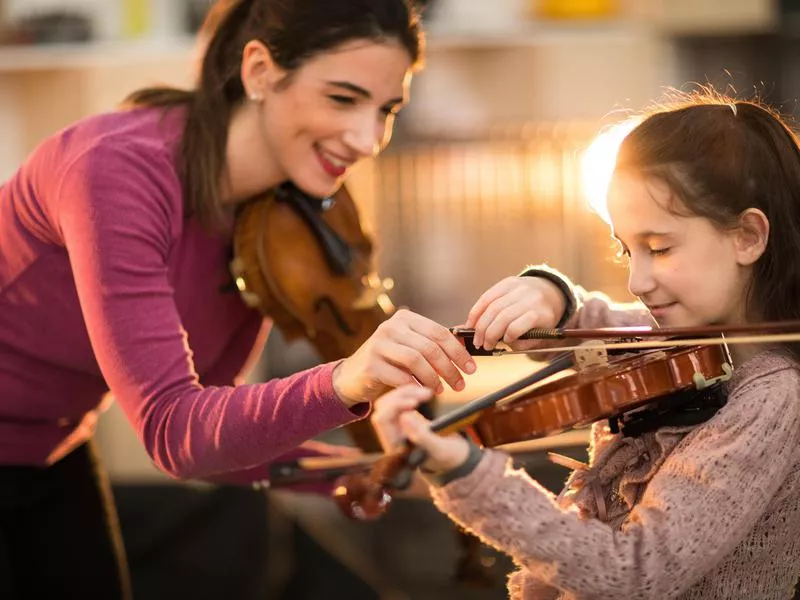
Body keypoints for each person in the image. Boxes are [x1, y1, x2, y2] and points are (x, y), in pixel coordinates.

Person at [0, 1, 479, 598]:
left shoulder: (270, 217)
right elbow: (176, 435)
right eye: (341, 98)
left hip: (54, 448)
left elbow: (219, 442)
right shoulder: (116, 170)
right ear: (258, 71)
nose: (366, 140)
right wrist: (346, 381)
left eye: (386, 109)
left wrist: (371, 469)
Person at [371, 90, 800, 599]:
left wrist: (471, 475)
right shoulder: (686, 343)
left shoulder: (773, 400)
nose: (637, 279)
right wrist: (549, 293)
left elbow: (635, 574)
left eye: (659, 248)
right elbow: (598, 326)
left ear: (748, 236)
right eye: (625, 248)